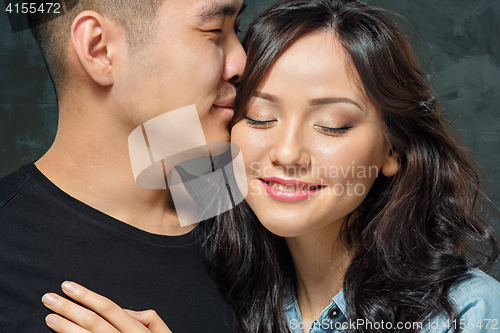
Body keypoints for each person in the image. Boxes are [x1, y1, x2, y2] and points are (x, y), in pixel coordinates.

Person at [39, 0, 500, 332]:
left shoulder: (465, 312)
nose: (286, 153)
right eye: (259, 118)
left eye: (333, 125)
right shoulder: (216, 280)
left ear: (392, 150)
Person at [0, 0, 246, 332]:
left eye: (237, 29)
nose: (241, 62)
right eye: (214, 30)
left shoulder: (266, 224)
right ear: (99, 49)